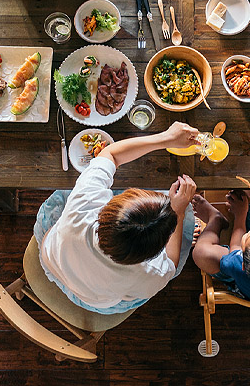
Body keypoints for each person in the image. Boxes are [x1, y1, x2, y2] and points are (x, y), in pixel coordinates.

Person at [34, 122, 199, 314]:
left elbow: (110, 154)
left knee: (73, 188)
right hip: (95, 297)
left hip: (53, 260)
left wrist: (167, 138)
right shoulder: (152, 275)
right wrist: (178, 211)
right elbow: (171, 261)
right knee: (186, 219)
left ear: (107, 210)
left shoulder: (81, 206)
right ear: (154, 252)